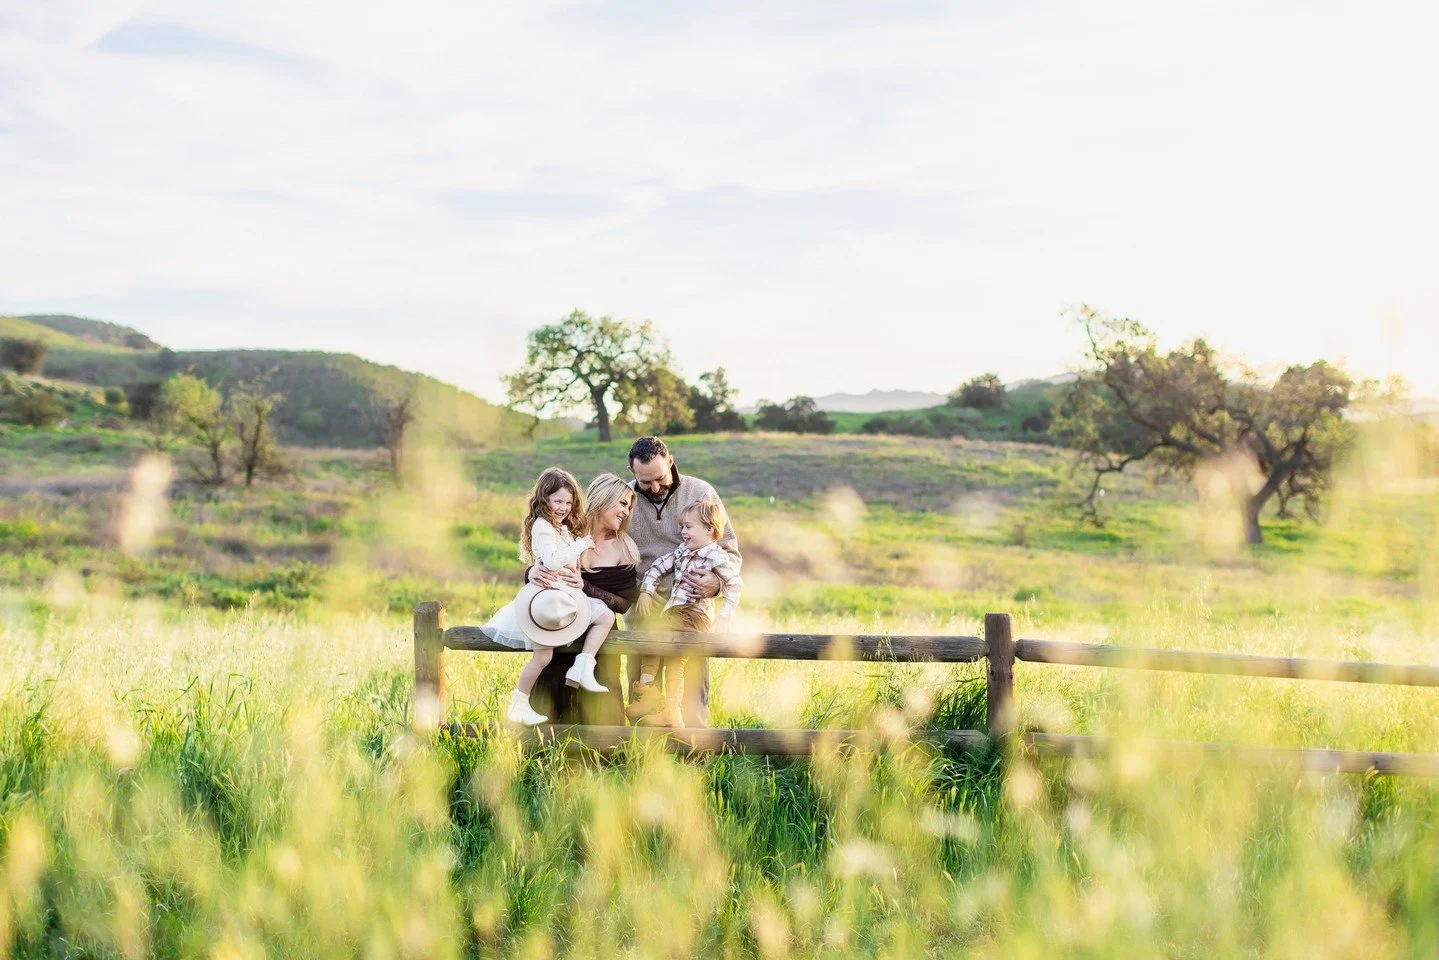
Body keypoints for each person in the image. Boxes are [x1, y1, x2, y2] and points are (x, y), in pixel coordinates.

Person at [485, 468, 615, 725]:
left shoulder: (561, 528)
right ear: (544, 499)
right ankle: (518, 702)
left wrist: (578, 575)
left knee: (604, 615)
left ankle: (583, 665)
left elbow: (568, 564)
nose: (564, 507)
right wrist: (581, 544)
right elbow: (553, 561)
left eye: (568, 502)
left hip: (564, 594)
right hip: (548, 600)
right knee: (543, 656)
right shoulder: (543, 526)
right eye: (558, 501)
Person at [529, 473, 639, 725]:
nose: (626, 511)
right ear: (603, 499)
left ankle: (603, 759)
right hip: (560, 629)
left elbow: (624, 604)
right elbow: (543, 566)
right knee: (553, 691)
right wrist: (531, 571)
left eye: (629, 506)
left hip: (599, 640)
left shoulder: (625, 548)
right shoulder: (568, 531)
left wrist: (586, 586)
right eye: (622, 503)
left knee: (600, 706)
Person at [629, 498, 743, 726]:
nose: (683, 532)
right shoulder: (682, 551)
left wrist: (724, 617)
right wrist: (645, 591)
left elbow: (735, 584)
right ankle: (649, 694)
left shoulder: (715, 556)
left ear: (710, 529)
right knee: (652, 640)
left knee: (672, 657)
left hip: (693, 615)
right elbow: (658, 566)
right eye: (682, 527)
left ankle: (670, 710)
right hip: (674, 613)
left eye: (688, 527)